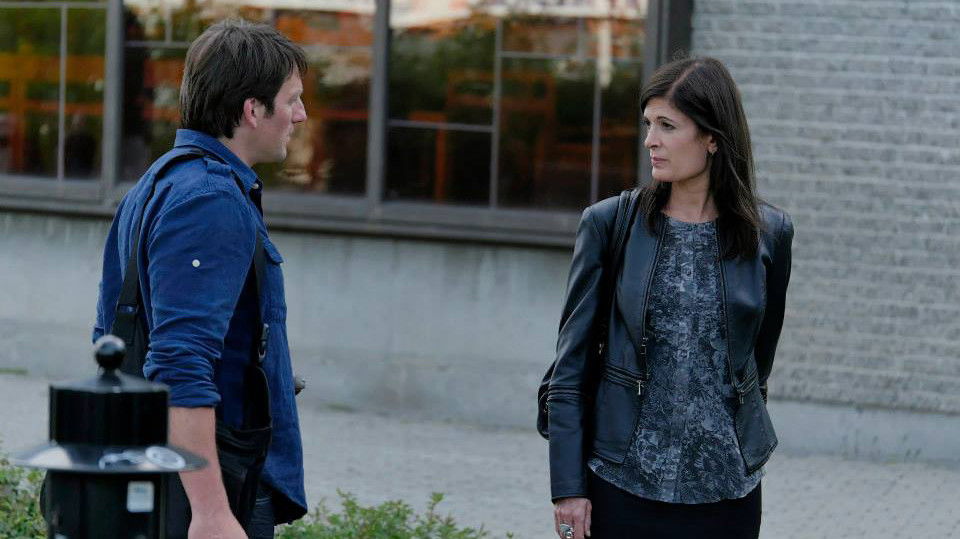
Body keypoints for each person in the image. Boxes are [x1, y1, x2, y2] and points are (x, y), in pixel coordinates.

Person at [547, 56, 793, 539]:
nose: (650, 141)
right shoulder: (610, 224)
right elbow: (569, 368)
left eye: (667, 125)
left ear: (712, 137)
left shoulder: (769, 234)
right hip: (621, 484)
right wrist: (568, 488)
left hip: (727, 494)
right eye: (648, 124)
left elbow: (755, 363)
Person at [94, 20, 308, 538]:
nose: (301, 115)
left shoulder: (161, 181)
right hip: (212, 490)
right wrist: (212, 513)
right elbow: (178, 362)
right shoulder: (209, 200)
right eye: (292, 100)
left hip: (160, 469)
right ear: (252, 110)